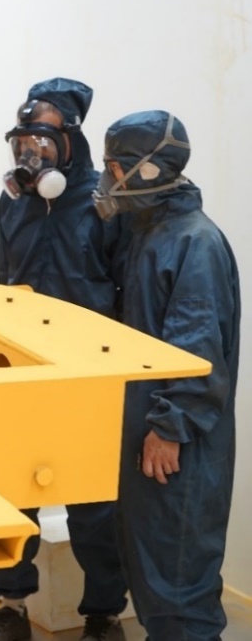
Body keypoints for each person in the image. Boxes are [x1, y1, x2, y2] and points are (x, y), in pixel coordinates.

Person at [0, 78, 129, 641]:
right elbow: (5, 281)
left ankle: (103, 616)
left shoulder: (103, 205)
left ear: (71, 141)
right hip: (24, 371)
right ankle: (11, 607)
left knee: (93, 504)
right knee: (14, 491)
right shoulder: (12, 202)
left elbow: (125, 293)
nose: (30, 155)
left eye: (41, 142)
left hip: (88, 374)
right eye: (22, 143)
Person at [93, 111, 240, 640]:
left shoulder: (193, 242)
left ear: (148, 170)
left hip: (179, 445)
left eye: (115, 167)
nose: (107, 178)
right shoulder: (148, 232)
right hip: (149, 427)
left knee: (180, 582)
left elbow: (197, 348)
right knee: (154, 575)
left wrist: (170, 427)